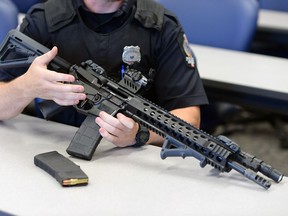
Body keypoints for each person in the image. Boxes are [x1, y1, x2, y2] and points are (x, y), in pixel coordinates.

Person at [0, 0, 208, 147]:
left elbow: (189, 118)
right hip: (45, 147)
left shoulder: (162, 26)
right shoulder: (43, 20)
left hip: (129, 161)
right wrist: (25, 87)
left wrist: (140, 134)